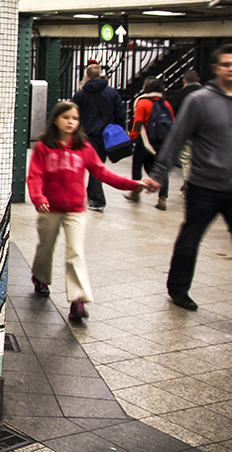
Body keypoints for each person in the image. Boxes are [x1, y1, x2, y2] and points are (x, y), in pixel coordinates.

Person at [27, 101, 146, 323]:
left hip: (75, 210)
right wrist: (38, 198)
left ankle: (78, 300)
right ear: (55, 120)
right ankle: (40, 277)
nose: (70, 122)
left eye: (75, 118)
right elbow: (35, 175)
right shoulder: (44, 147)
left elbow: (103, 173)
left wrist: (132, 184)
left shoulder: (84, 148)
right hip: (49, 208)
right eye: (66, 117)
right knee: (45, 247)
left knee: (75, 253)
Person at [145, 45, 232, 311]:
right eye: (226, 64)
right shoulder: (199, 100)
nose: (231, 69)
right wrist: (158, 174)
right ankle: (178, 289)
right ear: (215, 68)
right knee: (189, 241)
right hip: (204, 187)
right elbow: (177, 137)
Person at [71, 64, 126, 212]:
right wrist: (117, 130)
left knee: (86, 166)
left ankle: (96, 199)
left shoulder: (81, 95)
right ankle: (94, 196)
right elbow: (120, 114)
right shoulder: (112, 92)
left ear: (87, 76)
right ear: (100, 75)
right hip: (106, 136)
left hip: (86, 135)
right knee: (98, 166)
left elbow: (73, 114)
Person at [124, 77, 173, 210]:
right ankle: (163, 198)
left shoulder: (142, 102)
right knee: (161, 168)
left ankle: (136, 192)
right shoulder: (165, 103)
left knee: (137, 165)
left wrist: (132, 137)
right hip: (160, 141)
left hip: (144, 140)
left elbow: (138, 123)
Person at [165, 70, 202, 193]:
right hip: (204, 132)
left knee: (186, 159)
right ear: (198, 79)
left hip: (186, 131)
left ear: (184, 81)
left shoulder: (179, 94)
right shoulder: (207, 94)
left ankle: (188, 183)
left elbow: (168, 110)